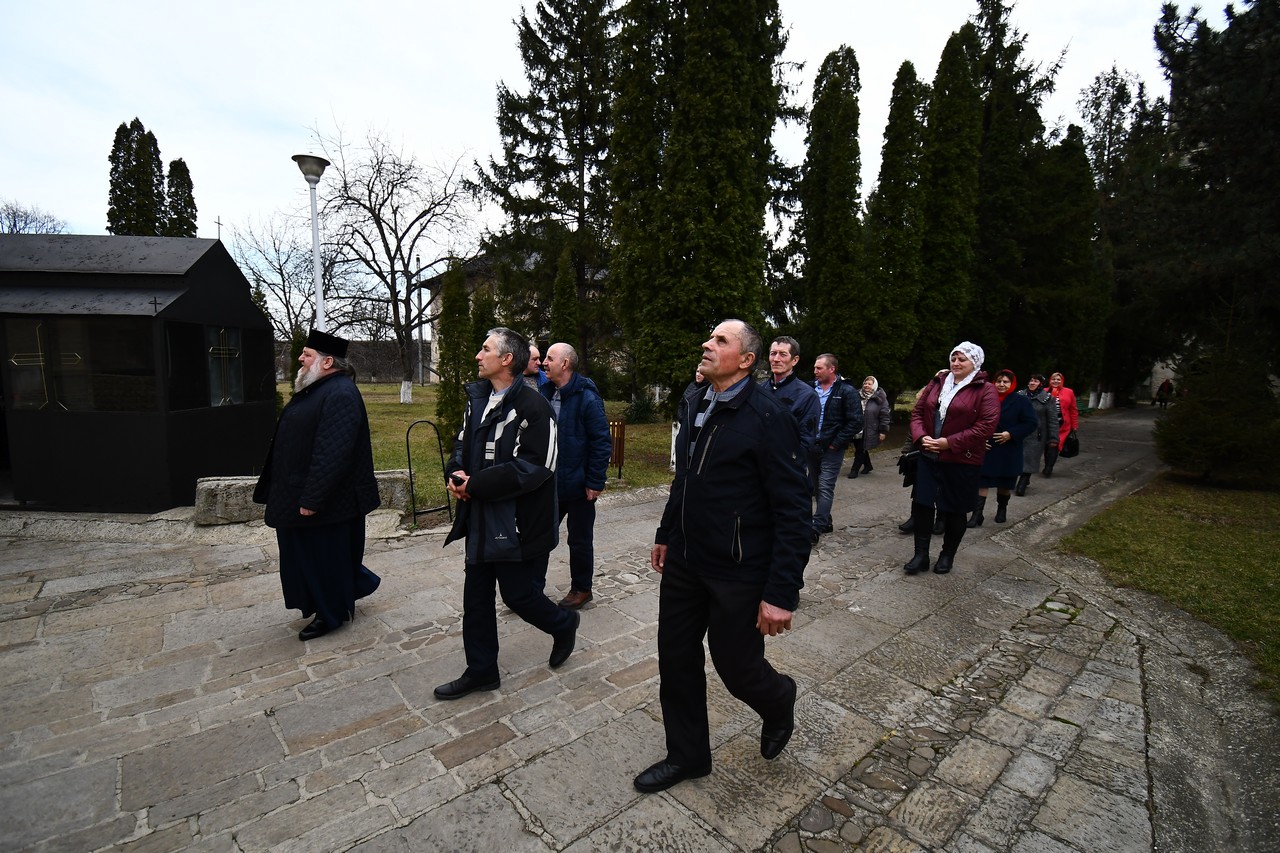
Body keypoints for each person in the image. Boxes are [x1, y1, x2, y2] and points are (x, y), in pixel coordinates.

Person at [635, 319, 812, 795]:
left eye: (719, 341)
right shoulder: (695, 400)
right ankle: (687, 756)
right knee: (675, 659)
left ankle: (779, 699)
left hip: (738, 568)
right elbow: (685, 479)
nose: (706, 344)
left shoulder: (770, 417)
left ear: (747, 360)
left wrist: (780, 593)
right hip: (687, 562)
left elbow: (795, 512)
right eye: (709, 337)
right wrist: (666, 532)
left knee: (737, 669)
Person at [435, 327, 580, 701]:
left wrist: (476, 485)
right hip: (480, 517)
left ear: (506, 359)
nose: (477, 356)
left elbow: (536, 467)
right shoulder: (477, 398)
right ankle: (482, 670)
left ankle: (564, 623)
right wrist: (455, 474)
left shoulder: (535, 408)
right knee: (476, 598)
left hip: (516, 523)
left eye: (485, 349)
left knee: (518, 596)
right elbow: (461, 442)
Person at [253, 329, 381, 641]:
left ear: (326, 362)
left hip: (324, 503)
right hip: (302, 493)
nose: (300, 358)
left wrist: (312, 498)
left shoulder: (339, 393)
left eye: (307, 355)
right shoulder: (321, 389)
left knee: (324, 560)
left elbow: (332, 453)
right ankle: (340, 596)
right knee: (313, 558)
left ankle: (331, 614)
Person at [904, 342, 1000, 576]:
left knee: (955, 510)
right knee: (923, 504)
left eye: (962, 360)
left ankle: (947, 555)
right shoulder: (938, 382)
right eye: (953, 358)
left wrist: (950, 443)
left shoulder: (985, 389)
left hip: (961, 459)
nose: (956, 363)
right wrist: (921, 436)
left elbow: (986, 426)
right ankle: (921, 555)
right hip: (929, 455)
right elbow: (918, 412)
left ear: (975, 363)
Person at [540, 342, 612, 610]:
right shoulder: (547, 393)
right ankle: (531, 588)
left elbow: (601, 441)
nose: (545, 362)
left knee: (579, 540)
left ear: (565, 364)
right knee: (539, 537)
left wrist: (595, 481)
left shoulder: (587, 398)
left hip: (580, 486)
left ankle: (582, 589)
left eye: (550, 358)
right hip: (550, 484)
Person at [968, 370, 1037, 526]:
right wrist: (978, 439)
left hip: (1009, 448)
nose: (1001, 384)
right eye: (999, 381)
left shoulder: (1021, 401)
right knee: (982, 481)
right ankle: (977, 515)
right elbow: (973, 420)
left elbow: (1031, 423)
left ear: (1012, 383)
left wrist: (1011, 433)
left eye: (1006, 381)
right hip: (987, 447)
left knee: (1005, 483)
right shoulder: (985, 399)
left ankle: (1002, 509)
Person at [810, 354, 863, 544]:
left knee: (825, 486)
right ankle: (826, 520)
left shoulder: (846, 391)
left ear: (831, 369)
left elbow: (856, 421)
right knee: (816, 486)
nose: (815, 371)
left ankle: (815, 527)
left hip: (832, 448)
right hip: (812, 446)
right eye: (815, 368)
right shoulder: (810, 389)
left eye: (819, 368)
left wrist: (836, 442)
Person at [762, 335, 821, 455]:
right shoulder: (759, 390)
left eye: (783, 354)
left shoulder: (807, 396)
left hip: (785, 466)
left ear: (795, 360)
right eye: (773, 353)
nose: (776, 359)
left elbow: (806, 440)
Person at [1015, 373, 1059, 496]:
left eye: (1035, 381)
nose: (1032, 383)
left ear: (1041, 384)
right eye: (1031, 380)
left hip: (1037, 434)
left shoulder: (1048, 399)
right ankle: (1022, 478)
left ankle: (1022, 483)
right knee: (1018, 457)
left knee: (1030, 458)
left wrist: (1053, 438)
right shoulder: (1020, 395)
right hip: (1019, 432)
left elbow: (1053, 420)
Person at [848, 376, 891, 479]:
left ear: (874, 385)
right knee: (861, 448)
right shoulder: (856, 395)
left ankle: (854, 470)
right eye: (865, 383)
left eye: (869, 384)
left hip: (870, 429)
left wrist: (883, 431)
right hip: (856, 427)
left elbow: (885, 415)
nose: (866, 385)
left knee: (860, 449)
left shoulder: (880, 398)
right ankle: (868, 465)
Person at [1046, 372, 1078, 476]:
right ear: (1050, 380)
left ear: (1062, 381)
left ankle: (1049, 467)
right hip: (1046, 424)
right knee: (1047, 445)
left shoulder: (1069, 392)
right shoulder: (1044, 391)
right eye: (1053, 379)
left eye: (1058, 379)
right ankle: (1048, 464)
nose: (1055, 381)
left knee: (1055, 445)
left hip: (1062, 425)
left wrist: (1074, 425)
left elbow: (1073, 410)